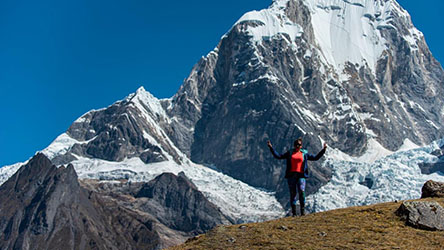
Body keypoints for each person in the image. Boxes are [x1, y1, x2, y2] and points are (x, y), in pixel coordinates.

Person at [267, 138, 327, 216]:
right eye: (296, 145)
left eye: (299, 145)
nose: (297, 146)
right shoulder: (290, 153)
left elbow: (315, 157)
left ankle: (302, 212)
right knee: (293, 194)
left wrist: (323, 150)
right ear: (294, 145)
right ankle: (294, 213)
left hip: (301, 176)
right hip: (291, 176)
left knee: (301, 192)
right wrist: (271, 148)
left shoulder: (304, 154)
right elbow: (279, 156)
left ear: (301, 146)